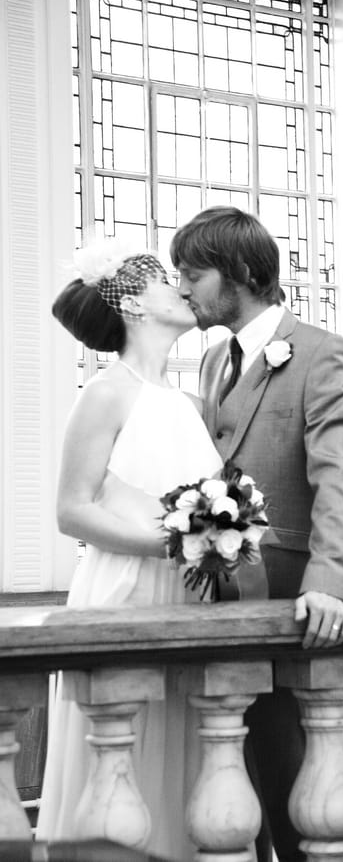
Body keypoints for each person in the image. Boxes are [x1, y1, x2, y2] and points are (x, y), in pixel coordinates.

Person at [170, 206, 343, 862]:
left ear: (242, 273)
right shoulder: (208, 363)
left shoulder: (320, 352)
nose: (183, 290)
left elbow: (339, 470)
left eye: (193, 275)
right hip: (216, 597)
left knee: (291, 776)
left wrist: (331, 581)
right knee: (234, 779)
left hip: (289, 600)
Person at [37, 242, 222, 861]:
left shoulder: (194, 403)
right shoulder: (105, 393)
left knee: (191, 753)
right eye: (169, 282)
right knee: (121, 754)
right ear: (136, 304)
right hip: (123, 592)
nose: (182, 289)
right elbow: (73, 510)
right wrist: (174, 544)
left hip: (192, 600)